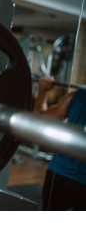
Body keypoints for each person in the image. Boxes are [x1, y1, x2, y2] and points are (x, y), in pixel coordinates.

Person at [33, 76, 86, 210]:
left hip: (59, 176)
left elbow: (38, 117)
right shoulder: (78, 96)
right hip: (61, 175)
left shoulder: (77, 96)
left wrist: (43, 91)